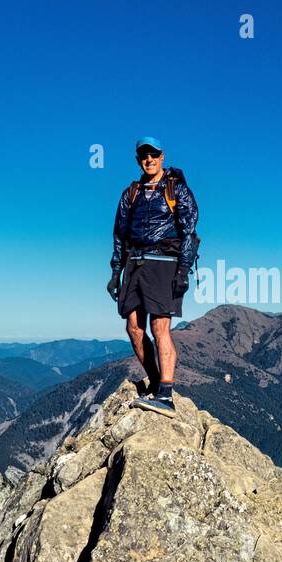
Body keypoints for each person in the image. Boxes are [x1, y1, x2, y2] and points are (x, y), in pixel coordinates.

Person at [108, 136, 199, 417]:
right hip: (134, 264)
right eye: (143, 156)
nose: (149, 159)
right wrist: (115, 272)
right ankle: (156, 382)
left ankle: (166, 396)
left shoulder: (176, 190)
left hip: (163, 264)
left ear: (162, 157)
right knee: (134, 329)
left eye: (153, 155)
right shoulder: (130, 194)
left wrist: (183, 270)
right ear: (138, 160)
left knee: (160, 329)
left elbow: (188, 230)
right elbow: (119, 235)